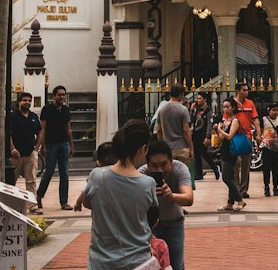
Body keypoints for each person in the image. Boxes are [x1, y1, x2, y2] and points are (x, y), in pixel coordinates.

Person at [79, 121, 159, 270]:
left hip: (101, 262)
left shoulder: (97, 176)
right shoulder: (148, 183)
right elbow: (151, 218)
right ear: (143, 149)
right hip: (138, 262)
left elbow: (87, 203)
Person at [140, 139, 193, 270]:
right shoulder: (141, 174)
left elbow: (189, 198)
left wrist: (171, 196)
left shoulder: (180, 169)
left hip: (174, 224)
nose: (159, 170)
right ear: (147, 164)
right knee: (149, 265)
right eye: (154, 165)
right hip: (149, 228)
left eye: (164, 164)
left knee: (176, 265)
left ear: (171, 161)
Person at [37, 84, 74, 211]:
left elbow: (68, 128)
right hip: (51, 144)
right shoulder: (47, 109)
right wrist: (42, 145)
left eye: (63, 95)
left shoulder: (66, 110)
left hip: (64, 144)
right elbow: (43, 128)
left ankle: (64, 201)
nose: (62, 97)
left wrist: (71, 145)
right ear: (54, 96)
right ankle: (39, 195)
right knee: (49, 172)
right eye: (59, 94)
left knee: (65, 173)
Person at [215, 98, 247, 211]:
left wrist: (220, 129)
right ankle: (230, 203)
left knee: (226, 177)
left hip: (231, 151)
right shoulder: (226, 121)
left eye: (227, 106)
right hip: (224, 150)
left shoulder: (235, 121)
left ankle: (240, 200)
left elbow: (229, 136)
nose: (225, 109)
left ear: (233, 107)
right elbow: (222, 138)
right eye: (224, 107)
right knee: (230, 177)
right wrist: (218, 130)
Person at [8, 92, 41, 200]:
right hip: (15, 155)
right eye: (24, 100)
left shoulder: (33, 116)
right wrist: (12, 149)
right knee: (11, 180)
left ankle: (31, 204)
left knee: (31, 180)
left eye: (29, 101)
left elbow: (40, 131)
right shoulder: (13, 116)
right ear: (19, 102)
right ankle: (9, 202)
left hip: (30, 154)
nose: (27, 102)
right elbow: (8, 134)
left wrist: (36, 149)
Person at [156, 84, 194, 167]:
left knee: (169, 174)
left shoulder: (161, 110)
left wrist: (161, 144)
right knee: (182, 174)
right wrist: (191, 147)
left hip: (168, 147)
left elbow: (159, 130)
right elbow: (186, 131)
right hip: (182, 147)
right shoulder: (183, 109)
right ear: (180, 94)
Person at [233, 82, 260, 197]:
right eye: (244, 90)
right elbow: (226, 118)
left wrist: (258, 134)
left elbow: (255, 120)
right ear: (237, 91)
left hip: (247, 137)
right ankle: (235, 188)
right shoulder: (232, 103)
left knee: (245, 165)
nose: (246, 92)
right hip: (234, 137)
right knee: (235, 164)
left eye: (247, 90)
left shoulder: (250, 103)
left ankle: (243, 190)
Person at [191, 93, 220, 180]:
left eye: (200, 98)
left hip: (203, 135)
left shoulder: (208, 110)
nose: (198, 100)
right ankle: (199, 174)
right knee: (196, 154)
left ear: (205, 99)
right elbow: (191, 120)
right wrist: (192, 110)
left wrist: (208, 136)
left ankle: (215, 167)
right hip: (196, 134)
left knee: (203, 152)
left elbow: (209, 124)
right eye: (197, 98)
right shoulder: (196, 109)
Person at [260, 104, 278, 197]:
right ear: (268, 111)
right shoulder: (264, 120)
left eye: (276, 110)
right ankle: (266, 187)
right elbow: (260, 131)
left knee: (276, 168)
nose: (275, 112)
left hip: (276, 148)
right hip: (266, 147)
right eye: (273, 110)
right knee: (266, 168)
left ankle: (275, 187)